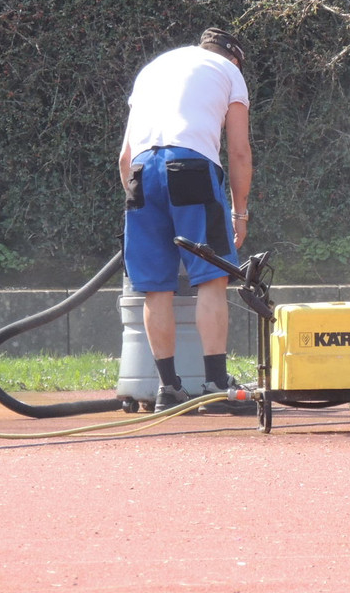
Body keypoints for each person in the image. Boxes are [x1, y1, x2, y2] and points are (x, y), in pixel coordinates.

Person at [119, 27, 253, 413]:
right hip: (191, 166)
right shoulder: (229, 71)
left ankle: (169, 389)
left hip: (140, 173)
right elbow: (239, 151)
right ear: (234, 58)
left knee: (155, 288)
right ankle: (215, 386)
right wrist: (239, 212)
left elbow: (124, 157)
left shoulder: (153, 69)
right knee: (212, 277)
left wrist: (140, 200)